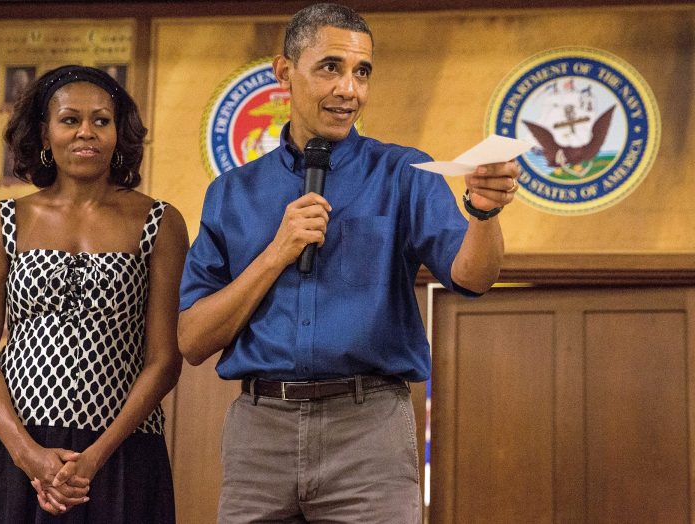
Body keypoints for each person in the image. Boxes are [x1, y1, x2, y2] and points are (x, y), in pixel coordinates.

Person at [177, 4, 521, 523]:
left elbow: (473, 277)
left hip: (369, 431)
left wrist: (484, 213)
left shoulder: (404, 172)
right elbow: (192, 341)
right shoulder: (232, 192)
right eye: (330, 68)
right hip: (259, 433)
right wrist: (277, 252)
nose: (349, 90)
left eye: (362, 72)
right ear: (284, 71)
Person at [0, 64, 188, 523]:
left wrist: (94, 458)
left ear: (118, 132)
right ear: (45, 132)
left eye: (101, 120)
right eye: (70, 119)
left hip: (120, 451)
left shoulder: (160, 222)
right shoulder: (2, 221)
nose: (85, 132)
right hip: (10, 447)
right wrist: (28, 455)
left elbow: (164, 360)